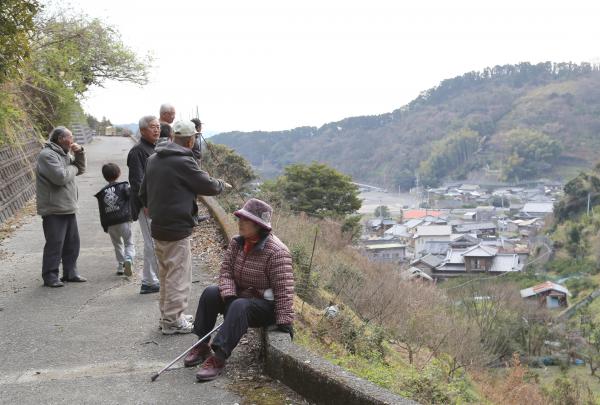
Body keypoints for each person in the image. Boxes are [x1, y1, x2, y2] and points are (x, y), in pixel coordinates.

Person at [184, 198, 294, 382]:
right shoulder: (237, 243)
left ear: (259, 225)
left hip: (265, 307)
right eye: (240, 218)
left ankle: (218, 357)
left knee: (240, 305)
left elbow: (284, 290)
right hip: (239, 299)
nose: (240, 223)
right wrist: (228, 295)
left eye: (246, 220)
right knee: (211, 292)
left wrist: (285, 322)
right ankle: (202, 344)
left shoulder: (277, 252)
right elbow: (226, 272)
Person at [139, 120, 229, 335]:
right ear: (190, 140)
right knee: (178, 276)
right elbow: (206, 184)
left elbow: (143, 192)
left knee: (166, 274)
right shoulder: (183, 162)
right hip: (176, 227)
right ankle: (172, 321)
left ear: (172, 138)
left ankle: (169, 315)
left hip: (159, 225)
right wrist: (222, 185)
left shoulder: (153, 159)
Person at [35, 126, 87, 287]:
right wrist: (73, 167)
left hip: (68, 205)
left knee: (72, 242)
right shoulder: (47, 155)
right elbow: (60, 177)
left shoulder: (64, 153)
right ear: (60, 139)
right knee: (55, 243)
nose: (72, 140)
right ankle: (50, 276)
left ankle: (70, 272)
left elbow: (81, 169)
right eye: (69, 137)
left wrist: (79, 153)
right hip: (54, 207)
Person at [127, 115, 160, 294]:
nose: (156, 129)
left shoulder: (155, 148)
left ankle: (148, 281)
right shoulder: (138, 151)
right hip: (146, 204)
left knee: (152, 241)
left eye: (158, 127)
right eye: (152, 127)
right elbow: (137, 181)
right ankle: (161, 278)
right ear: (142, 131)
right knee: (152, 242)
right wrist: (146, 203)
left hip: (155, 202)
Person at [94, 163, 135, 276]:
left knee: (117, 244)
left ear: (104, 176)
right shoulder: (123, 186)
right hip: (123, 220)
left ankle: (121, 266)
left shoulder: (102, 193)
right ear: (119, 173)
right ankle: (129, 259)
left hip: (110, 223)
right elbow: (130, 196)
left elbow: (102, 210)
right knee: (129, 243)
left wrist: (104, 226)